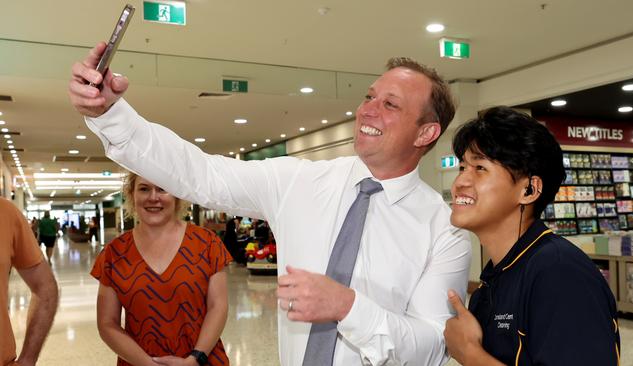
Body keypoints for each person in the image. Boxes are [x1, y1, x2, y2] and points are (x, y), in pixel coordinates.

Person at [69, 43, 471, 365]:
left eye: (390, 104)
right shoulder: (301, 181)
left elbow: (432, 346)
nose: (366, 109)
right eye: (369, 96)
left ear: (426, 133)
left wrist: (350, 308)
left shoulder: (444, 228)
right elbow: (201, 174)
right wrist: (111, 114)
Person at [443, 107, 620, 365]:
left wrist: (470, 354)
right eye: (462, 167)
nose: (459, 182)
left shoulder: (559, 273)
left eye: (479, 167)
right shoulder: (494, 280)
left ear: (529, 190)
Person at [90, 172, 232, 366]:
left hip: (203, 360)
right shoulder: (115, 253)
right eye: (144, 189)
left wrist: (195, 359)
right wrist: (148, 364)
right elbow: (107, 323)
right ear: (132, 194)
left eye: (162, 188)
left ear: (176, 194)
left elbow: (218, 306)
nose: (153, 197)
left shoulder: (207, 243)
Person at [0, 197, 59, 365]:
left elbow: (45, 287)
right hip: (50, 235)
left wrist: (27, 360)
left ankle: (48, 257)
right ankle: (49, 256)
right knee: (49, 248)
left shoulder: (5, 212)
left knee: (48, 248)